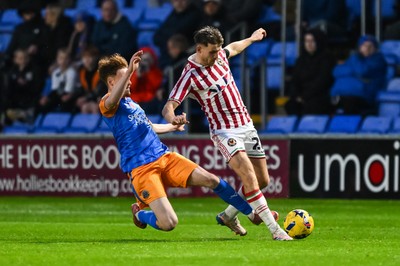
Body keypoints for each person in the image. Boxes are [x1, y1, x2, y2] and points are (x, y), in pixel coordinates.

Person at [97, 51, 263, 234]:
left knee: (212, 179)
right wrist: (129, 70)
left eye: (129, 76)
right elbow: (112, 100)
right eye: (125, 77)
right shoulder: (107, 104)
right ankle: (139, 215)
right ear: (112, 82)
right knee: (169, 223)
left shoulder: (131, 103)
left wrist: (172, 126)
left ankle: (251, 213)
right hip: (141, 168)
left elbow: (149, 126)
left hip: (164, 156)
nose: (130, 81)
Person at [162, 26, 292, 240]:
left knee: (263, 180)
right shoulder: (190, 75)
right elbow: (168, 106)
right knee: (249, 177)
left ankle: (228, 215)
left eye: (218, 50)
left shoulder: (220, 55)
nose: (216, 55)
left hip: (246, 125)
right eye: (212, 52)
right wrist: (173, 118)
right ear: (199, 49)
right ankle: (276, 231)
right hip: (224, 131)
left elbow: (233, 48)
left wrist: (251, 38)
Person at [330, 35, 387, 115]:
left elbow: (362, 71)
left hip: (362, 96)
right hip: (340, 94)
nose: (367, 48)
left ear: (376, 48)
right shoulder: (356, 59)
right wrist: (353, 72)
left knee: (347, 108)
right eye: (364, 45)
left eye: (370, 46)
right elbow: (336, 71)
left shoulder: (378, 60)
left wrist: (355, 58)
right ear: (359, 47)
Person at [285, 29, 336, 116]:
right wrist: (297, 95)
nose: (309, 44)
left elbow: (322, 80)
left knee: (313, 105)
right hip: (302, 95)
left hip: (320, 95)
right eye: (306, 41)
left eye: (312, 41)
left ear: (318, 41)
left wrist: (304, 96)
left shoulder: (327, 58)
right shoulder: (301, 59)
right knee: (290, 105)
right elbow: (295, 80)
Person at [153, 0, 201, 68]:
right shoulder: (173, 15)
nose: (179, 2)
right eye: (176, 0)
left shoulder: (195, 14)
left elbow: (180, 31)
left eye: (182, 0)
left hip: (185, 55)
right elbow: (156, 37)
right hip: (168, 55)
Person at [4, 49, 44, 124]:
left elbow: (37, 87)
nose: (22, 60)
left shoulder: (34, 70)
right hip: (15, 100)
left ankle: (25, 115)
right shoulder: (12, 72)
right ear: (15, 59)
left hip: (29, 99)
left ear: (28, 58)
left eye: (24, 58)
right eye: (19, 58)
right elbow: (9, 88)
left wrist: (26, 84)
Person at [36, 48, 78, 115]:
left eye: (66, 58)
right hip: (59, 95)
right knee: (42, 103)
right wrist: (47, 98)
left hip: (71, 96)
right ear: (57, 59)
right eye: (61, 58)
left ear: (69, 60)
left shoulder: (71, 72)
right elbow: (55, 89)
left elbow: (68, 90)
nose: (63, 61)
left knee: (65, 102)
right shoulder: (55, 72)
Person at [129, 47, 164, 114]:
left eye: (148, 59)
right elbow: (132, 87)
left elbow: (155, 86)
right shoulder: (135, 72)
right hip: (136, 100)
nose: (145, 62)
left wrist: (149, 72)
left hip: (150, 101)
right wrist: (137, 76)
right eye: (144, 59)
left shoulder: (156, 72)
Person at [75, 46, 107, 114]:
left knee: (94, 107)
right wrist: (81, 98)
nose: (86, 60)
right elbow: (80, 88)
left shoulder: (101, 71)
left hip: (101, 98)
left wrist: (86, 98)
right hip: (88, 99)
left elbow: (100, 90)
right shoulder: (81, 71)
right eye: (84, 57)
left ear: (95, 58)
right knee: (84, 107)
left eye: (89, 57)